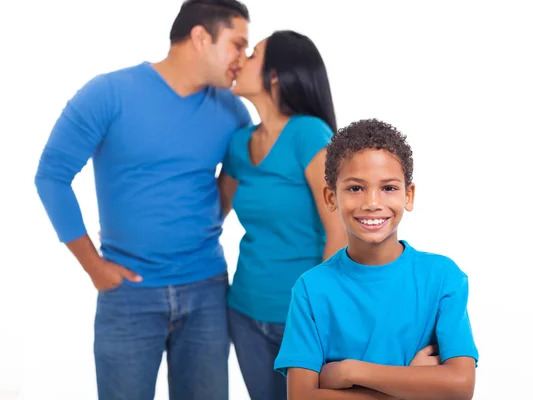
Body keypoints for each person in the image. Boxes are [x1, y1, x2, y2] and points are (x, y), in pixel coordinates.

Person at [34, 1, 252, 399]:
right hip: (129, 295)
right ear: (201, 37)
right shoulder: (108, 93)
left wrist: (198, 225)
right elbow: (51, 176)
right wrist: (93, 266)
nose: (243, 58)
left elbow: (233, 180)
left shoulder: (233, 111)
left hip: (207, 291)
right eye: (237, 45)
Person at [273, 119, 479, 400]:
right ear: (331, 197)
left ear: (409, 195)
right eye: (355, 188)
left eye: (389, 188)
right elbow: (300, 396)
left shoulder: (443, 277)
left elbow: (460, 385)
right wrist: (415, 387)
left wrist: (349, 372)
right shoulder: (311, 288)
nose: (372, 202)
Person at [217, 30, 348, 399]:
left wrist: (314, 314)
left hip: (302, 318)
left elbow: (338, 232)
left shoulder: (309, 134)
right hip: (244, 311)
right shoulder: (238, 142)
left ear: (274, 75)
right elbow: (211, 213)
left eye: (253, 53)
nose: (241, 60)